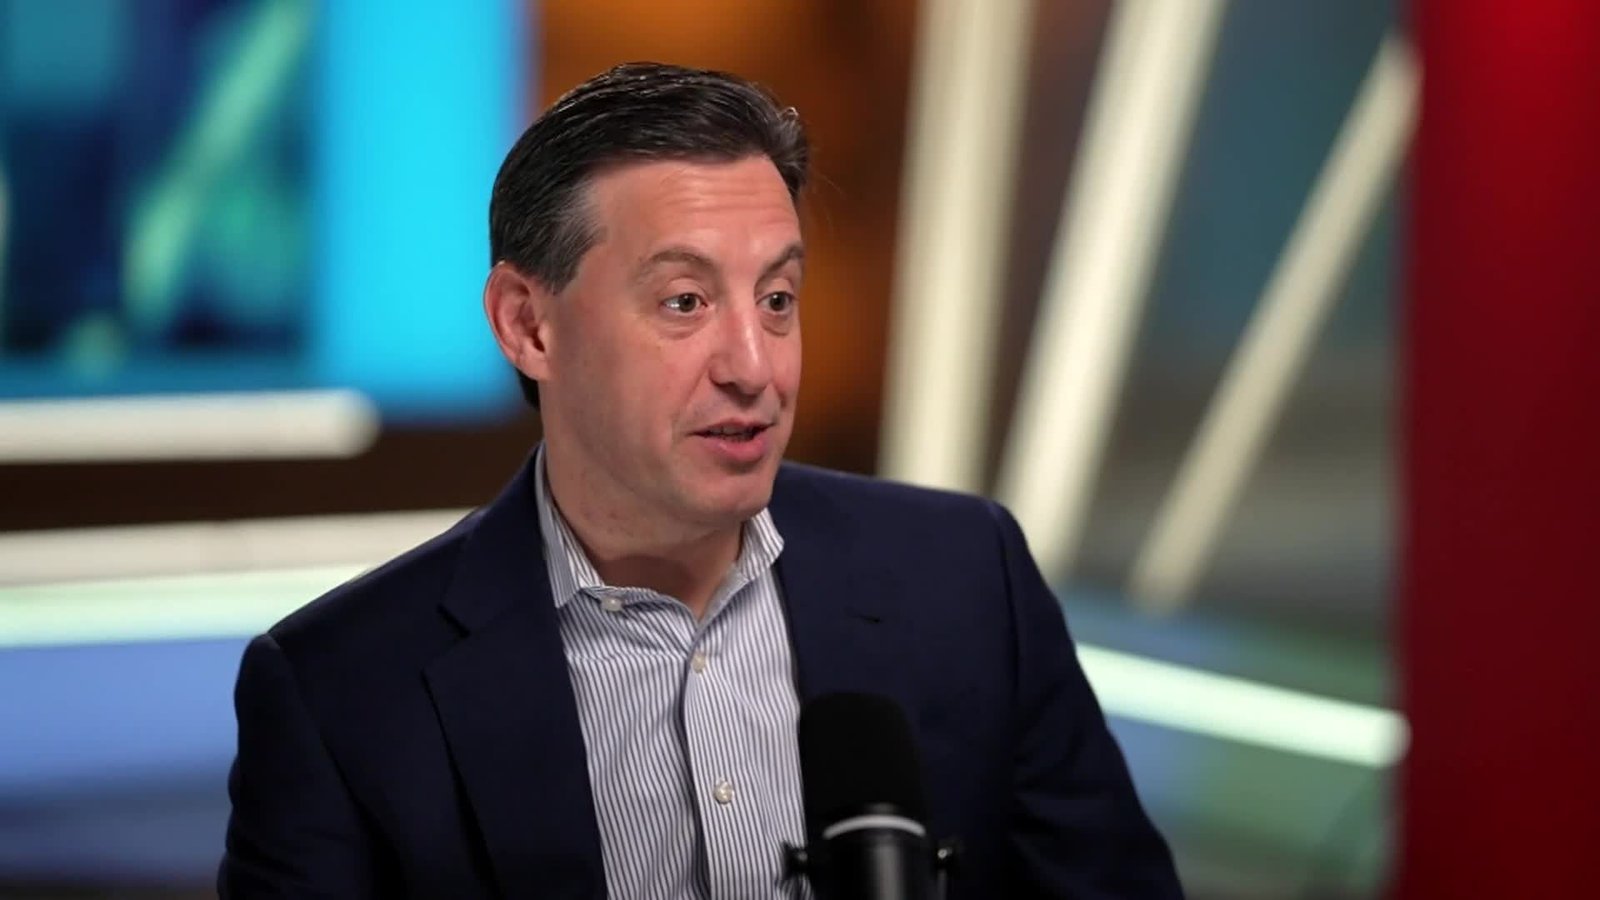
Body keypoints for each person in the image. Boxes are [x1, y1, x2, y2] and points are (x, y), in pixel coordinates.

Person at [219, 62, 1181, 899]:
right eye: (685, 301)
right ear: (527, 325)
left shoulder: (967, 577)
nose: (755, 368)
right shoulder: (338, 693)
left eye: (777, 299)